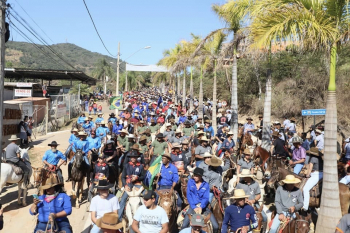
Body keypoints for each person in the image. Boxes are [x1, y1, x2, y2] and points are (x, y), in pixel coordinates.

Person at [181, 167, 218, 233]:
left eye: (196, 176)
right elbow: (189, 196)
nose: (194, 177)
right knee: (184, 225)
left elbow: (206, 198)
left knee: (216, 226)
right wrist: (194, 207)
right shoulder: (190, 182)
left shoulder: (206, 185)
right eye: (194, 175)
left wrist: (201, 207)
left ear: (200, 176)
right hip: (193, 206)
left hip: (203, 207)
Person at [118, 150, 145, 220]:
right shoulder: (126, 166)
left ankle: (147, 217)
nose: (133, 158)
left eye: (134, 157)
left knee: (147, 197)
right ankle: (119, 219)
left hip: (138, 185)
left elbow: (143, 177)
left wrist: (137, 177)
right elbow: (123, 177)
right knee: (122, 200)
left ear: (137, 158)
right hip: (128, 185)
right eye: (131, 157)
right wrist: (125, 186)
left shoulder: (141, 166)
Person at [302, 147, 323, 212]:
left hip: (316, 174)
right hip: (322, 173)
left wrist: (307, 175)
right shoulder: (320, 158)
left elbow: (310, 169)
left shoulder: (313, 158)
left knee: (305, 189)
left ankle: (305, 207)